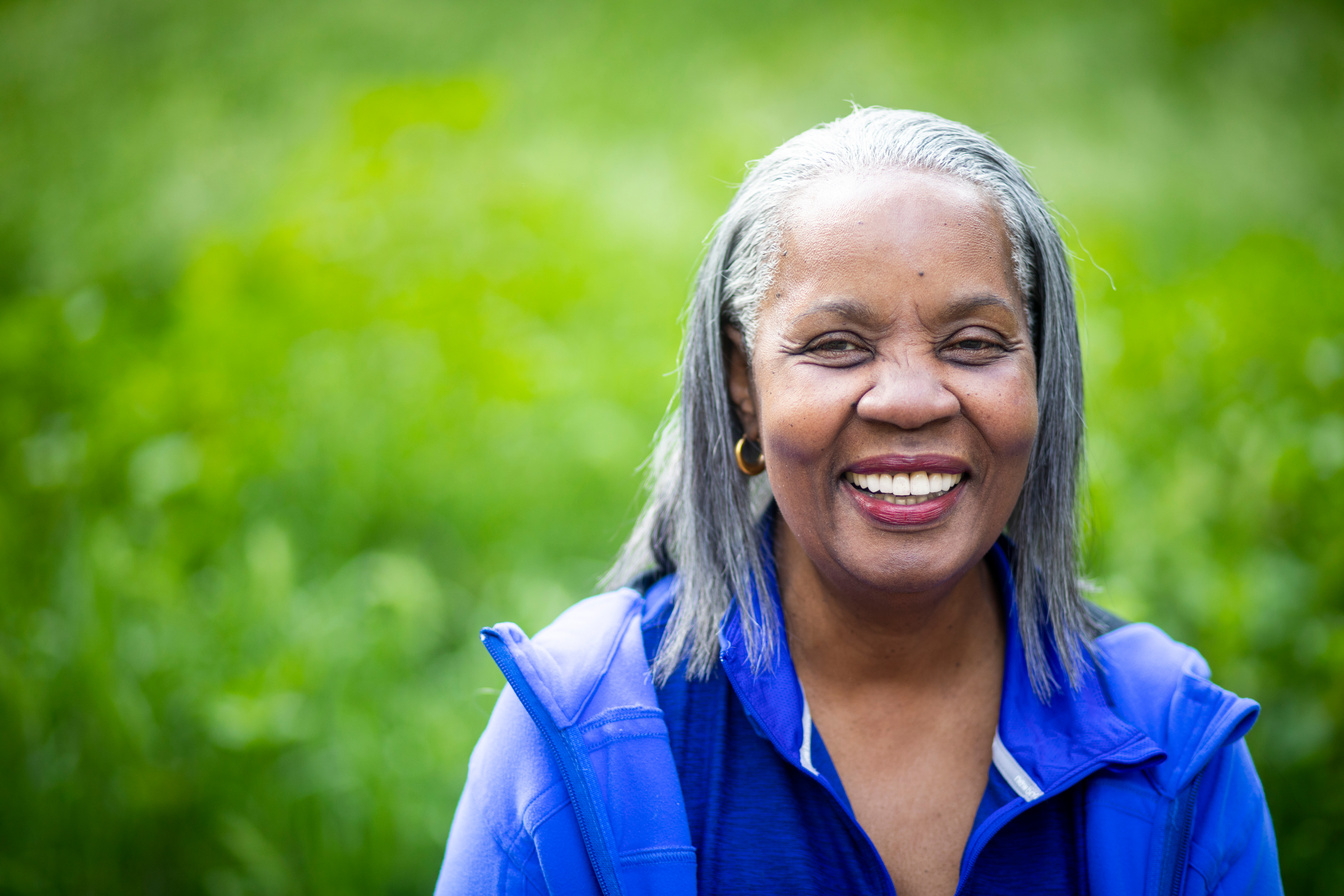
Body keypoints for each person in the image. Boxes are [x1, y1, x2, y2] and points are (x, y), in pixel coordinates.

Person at [432, 108, 1282, 895]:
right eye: (837, 346)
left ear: (1041, 377)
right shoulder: (585, 737)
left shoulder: (1173, 749)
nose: (911, 399)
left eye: (975, 344)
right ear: (743, 388)